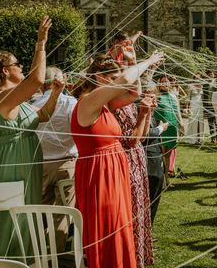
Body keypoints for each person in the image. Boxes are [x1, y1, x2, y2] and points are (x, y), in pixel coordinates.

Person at [71, 51, 163, 268]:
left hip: (113, 171)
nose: (116, 85)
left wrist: (131, 61)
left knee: (119, 225)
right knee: (107, 227)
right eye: (112, 80)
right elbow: (125, 81)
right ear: (100, 78)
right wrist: (148, 61)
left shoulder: (105, 104)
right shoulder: (89, 101)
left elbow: (132, 93)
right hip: (100, 174)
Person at [0, 16, 60, 258]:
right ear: (5, 71)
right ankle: (7, 259)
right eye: (18, 64)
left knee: (25, 211)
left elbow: (44, 115)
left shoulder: (17, 100)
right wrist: (41, 43)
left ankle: (22, 256)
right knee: (12, 212)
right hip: (13, 164)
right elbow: (36, 80)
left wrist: (56, 94)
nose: (22, 67)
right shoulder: (4, 98)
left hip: (27, 163)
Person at [30, 66, 77, 253]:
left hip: (41, 163)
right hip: (66, 162)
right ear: (61, 80)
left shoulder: (33, 103)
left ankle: (40, 251)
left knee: (42, 210)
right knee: (62, 213)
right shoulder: (70, 102)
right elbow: (77, 130)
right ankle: (56, 255)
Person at [113, 79, 157, 267]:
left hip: (137, 158)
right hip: (125, 161)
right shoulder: (115, 106)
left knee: (138, 208)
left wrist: (147, 113)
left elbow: (143, 137)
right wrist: (142, 115)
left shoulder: (130, 104)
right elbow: (131, 140)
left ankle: (137, 254)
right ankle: (126, 255)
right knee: (128, 210)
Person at [154, 75, 183, 186]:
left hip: (172, 126)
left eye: (167, 82)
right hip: (161, 127)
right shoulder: (157, 95)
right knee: (160, 154)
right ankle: (161, 178)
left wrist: (181, 124)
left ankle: (167, 179)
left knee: (168, 154)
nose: (165, 84)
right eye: (162, 82)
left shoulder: (174, 96)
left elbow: (177, 111)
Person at [186, 74, 204, 144]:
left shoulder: (201, 86)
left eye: (199, 77)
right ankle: (192, 138)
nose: (198, 79)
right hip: (193, 104)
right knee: (193, 120)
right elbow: (188, 97)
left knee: (200, 121)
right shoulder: (190, 86)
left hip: (200, 104)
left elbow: (202, 97)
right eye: (196, 77)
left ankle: (200, 138)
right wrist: (187, 107)